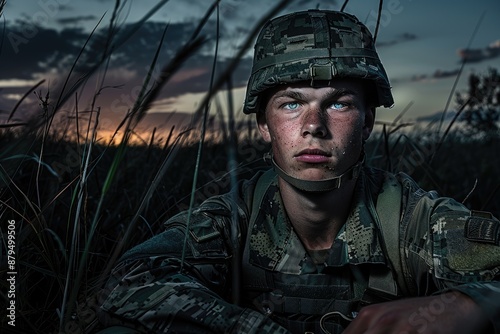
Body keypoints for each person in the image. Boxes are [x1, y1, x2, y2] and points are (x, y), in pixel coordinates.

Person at [96, 10, 500, 333]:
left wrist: (469, 304)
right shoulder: (233, 216)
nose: (314, 125)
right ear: (263, 124)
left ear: (367, 122)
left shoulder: (413, 219)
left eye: (338, 103)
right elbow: (130, 280)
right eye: (292, 104)